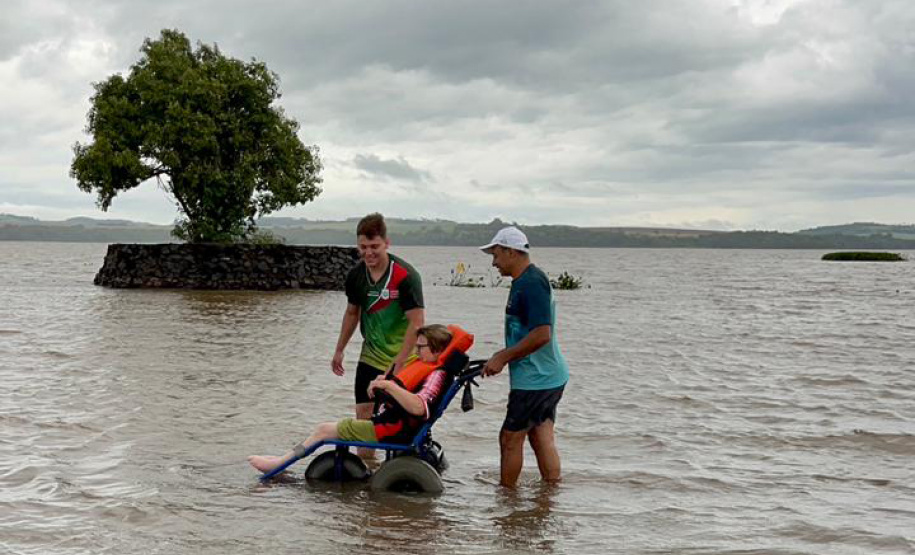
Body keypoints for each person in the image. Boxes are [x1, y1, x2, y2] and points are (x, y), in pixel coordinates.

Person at [249, 325, 456, 474]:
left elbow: (420, 407)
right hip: (393, 426)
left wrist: (389, 386)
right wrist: (383, 384)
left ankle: (278, 465)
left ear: (437, 350)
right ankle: (281, 461)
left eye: (421, 347)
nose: (416, 351)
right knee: (325, 428)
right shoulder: (432, 370)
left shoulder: (437, 375)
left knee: (323, 430)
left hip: (392, 430)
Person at [480, 226, 570, 487]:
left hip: (536, 378)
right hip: (546, 376)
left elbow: (543, 334)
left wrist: (503, 357)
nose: (494, 262)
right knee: (541, 437)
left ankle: (506, 499)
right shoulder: (524, 281)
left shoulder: (531, 283)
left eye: (496, 255)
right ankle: (550, 496)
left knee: (510, 439)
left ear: (511, 251)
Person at [332, 213, 425, 455]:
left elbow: (417, 324)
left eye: (375, 246)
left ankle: (399, 467)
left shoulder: (406, 276)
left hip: (403, 361)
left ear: (386, 243)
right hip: (370, 358)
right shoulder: (356, 276)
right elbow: (352, 313)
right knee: (364, 419)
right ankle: (366, 473)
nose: (369, 253)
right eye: (363, 247)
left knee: (399, 423)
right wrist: (339, 349)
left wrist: (399, 365)